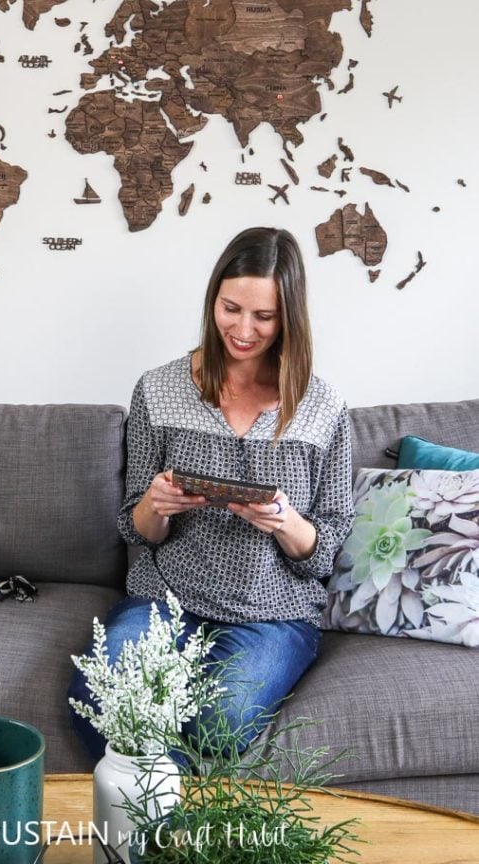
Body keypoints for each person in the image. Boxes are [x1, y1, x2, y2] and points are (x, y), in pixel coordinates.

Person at [69, 227, 354, 762]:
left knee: (216, 722)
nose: (243, 329)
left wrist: (285, 522)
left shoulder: (323, 408)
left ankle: (152, 818)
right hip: (165, 597)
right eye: (231, 308)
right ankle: (176, 830)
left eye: (264, 317)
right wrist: (155, 506)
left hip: (274, 612)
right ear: (213, 301)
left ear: (289, 317)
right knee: (102, 691)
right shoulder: (158, 388)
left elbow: (329, 543)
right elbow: (134, 527)